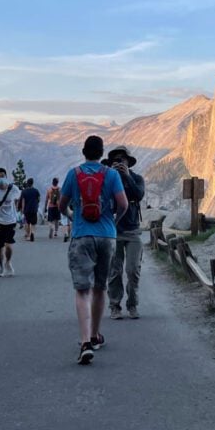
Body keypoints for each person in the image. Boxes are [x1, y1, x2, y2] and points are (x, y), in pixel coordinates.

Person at [59, 135, 128, 365]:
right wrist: (113, 224)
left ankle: (85, 342)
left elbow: (62, 204)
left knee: (82, 290)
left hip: (81, 235)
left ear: (83, 151)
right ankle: (96, 336)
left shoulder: (74, 174)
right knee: (100, 287)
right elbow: (124, 204)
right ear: (102, 153)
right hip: (107, 236)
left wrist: (72, 215)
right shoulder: (112, 174)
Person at [105, 145, 145, 320]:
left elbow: (139, 195)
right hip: (113, 231)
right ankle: (115, 306)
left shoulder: (136, 178)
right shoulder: (107, 179)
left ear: (128, 162)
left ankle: (133, 304)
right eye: (116, 160)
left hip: (133, 230)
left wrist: (127, 177)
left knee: (133, 269)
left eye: (122, 159)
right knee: (114, 271)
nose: (119, 162)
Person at [0, 167, 21, 277]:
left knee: (9, 246)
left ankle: (8, 262)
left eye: (2, 176)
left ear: (6, 176)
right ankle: (1, 268)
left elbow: (17, 199)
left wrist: (16, 211)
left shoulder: (13, 189)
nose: (0, 178)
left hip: (11, 221)